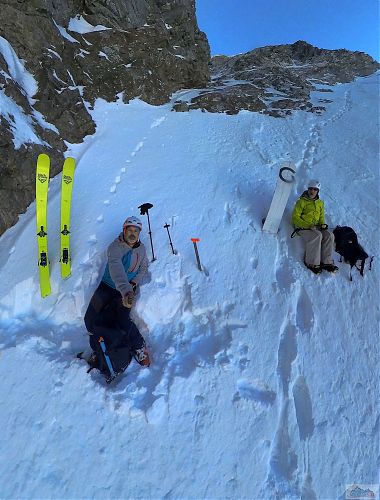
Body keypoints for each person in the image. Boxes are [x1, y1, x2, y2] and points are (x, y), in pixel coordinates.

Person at [83, 216, 150, 379]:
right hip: (108, 287)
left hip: (127, 291)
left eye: (136, 231)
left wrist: (133, 283)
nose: (133, 234)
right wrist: (126, 290)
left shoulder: (141, 250)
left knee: (123, 320)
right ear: (124, 230)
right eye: (130, 230)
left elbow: (143, 267)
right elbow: (116, 271)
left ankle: (139, 347)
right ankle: (98, 350)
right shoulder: (115, 248)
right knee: (90, 319)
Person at [291, 180, 338, 275]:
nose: (312, 191)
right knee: (317, 235)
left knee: (329, 235)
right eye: (311, 189)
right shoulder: (301, 202)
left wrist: (322, 225)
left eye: (315, 189)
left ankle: (326, 262)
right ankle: (311, 263)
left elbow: (321, 217)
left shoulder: (320, 203)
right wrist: (307, 225)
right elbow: (295, 218)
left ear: (318, 191)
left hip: (315, 227)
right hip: (302, 228)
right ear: (308, 189)